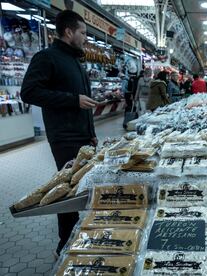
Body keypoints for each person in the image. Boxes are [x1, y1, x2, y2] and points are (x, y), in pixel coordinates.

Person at [20, 10, 98, 257]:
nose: (85, 38)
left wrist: (91, 132)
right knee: (67, 192)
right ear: (68, 32)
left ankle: (80, 236)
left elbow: (83, 102)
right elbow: (29, 92)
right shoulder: (47, 58)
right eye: (83, 33)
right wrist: (72, 100)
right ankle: (64, 246)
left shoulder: (75, 60)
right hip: (64, 137)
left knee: (84, 190)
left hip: (83, 136)